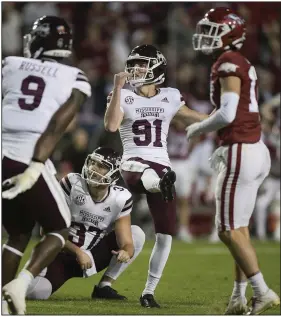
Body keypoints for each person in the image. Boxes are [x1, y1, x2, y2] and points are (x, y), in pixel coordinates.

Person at [187, 7, 280, 315]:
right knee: (238, 228)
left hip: (241, 149)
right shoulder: (240, 61)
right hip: (254, 149)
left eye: (211, 29)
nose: (205, 36)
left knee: (227, 230)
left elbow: (227, 113)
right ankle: (238, 297)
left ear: (228, 32)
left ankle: (261, 291)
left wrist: (197, 128)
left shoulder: (227, 61)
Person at [104, 44, 208, 308]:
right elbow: (111, 125)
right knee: (149, 175)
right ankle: (160, 182)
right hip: (132, 164)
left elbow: (193, 118)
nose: (135, 69)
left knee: (165, 234)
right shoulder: (123, 95)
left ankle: (148, 292)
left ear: (156, 68)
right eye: (133, 64)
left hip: (161, 165)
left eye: (141, 64)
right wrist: (117, 89)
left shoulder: (171, 96)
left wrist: (223, 119)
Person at [2, 16, 91, 315]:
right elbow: (56, 126)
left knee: (17, 233)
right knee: (59, 229)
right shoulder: (75, 77)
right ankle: (20, 283)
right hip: (29, 156)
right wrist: (37, 163)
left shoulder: (9, 64)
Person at [25, 147, 145, 301]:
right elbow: (47, 230)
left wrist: (126, 252)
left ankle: (104, 286)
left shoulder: (120, 197)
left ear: (114, 173)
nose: (94, 168)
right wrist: (77, 252)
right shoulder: (72, 184)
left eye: (102, 166)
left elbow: (127, 242)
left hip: (93, 255)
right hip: (60, 255)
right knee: (36, 292)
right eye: (93, 163)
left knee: (137, 234)